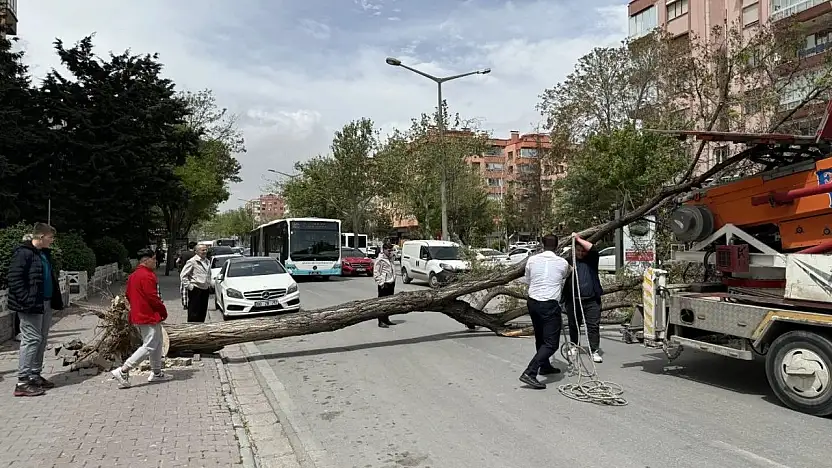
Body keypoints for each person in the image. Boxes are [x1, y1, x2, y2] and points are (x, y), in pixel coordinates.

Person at [8, 223, 64, 397]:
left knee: (41, 339)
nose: (52, 241)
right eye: (50, 238)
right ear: (41, 237)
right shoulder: (24, 253)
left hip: (44, 303)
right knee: (31, 339)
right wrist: (26, 300)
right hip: (30, 305)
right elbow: (15, 279)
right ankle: (22, 381)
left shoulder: (42, 254)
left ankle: (34, 374)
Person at [110, 249, 173, 388]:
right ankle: (123, 370)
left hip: (140, 313)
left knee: (157, 343)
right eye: (154, 259)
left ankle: (156, 372)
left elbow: (128, 295)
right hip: (148, 314)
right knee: (150, 344)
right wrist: (162, 310)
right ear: (146, 260)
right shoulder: (147, 276)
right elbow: (153, 297)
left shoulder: (133, 276)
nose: (156, 262)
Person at [518, 233, 570, 390]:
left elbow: (528, 279)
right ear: (557, 246)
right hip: (549, 304)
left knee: (541, 337)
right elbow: (565, 275)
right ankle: (530, 372)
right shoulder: (562, 263)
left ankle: (545, 366)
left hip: (533, 303)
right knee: (551, 343)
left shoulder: (532, 260)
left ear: (542, 245)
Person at [563, 233, 604, 364]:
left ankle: (594, 351)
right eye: (578, 250)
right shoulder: (568, 261)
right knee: (573, 325)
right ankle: (574, 346)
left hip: (591, 300)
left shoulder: (591, 260)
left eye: (583, 251)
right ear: (574, 251)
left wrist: (578, 239)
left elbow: (593, 249)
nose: (581, 253)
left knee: (593, 326)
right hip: (573, 300)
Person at [180, 243, 211, 322]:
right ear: (197, 251)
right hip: (196, 289)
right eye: (202, 250)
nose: (205, 251)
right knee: (194, 312)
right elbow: (183, 275)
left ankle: (201, 328)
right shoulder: (192, 261)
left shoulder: (207, 261)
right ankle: (192, 329)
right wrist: (190, 287)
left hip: (205, 289)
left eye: (206, 250)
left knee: (202, 312)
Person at [372, 242, 397, 328]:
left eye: (391, 250)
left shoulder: (391, 258)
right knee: (382, 303)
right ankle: (381, 321)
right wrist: (381, 283)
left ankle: (386, 319)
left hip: (391, 282)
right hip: (384, 283)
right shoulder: (380, 259)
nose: (390, 252)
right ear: (384, 250)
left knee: (389, 303)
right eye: (389, 250)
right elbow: (376, 273)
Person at [178, 242, 198, 309]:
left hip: (184, 272)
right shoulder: (196, 254)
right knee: (194, 288)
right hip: (194, 274)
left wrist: (180, 267)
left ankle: (185, 304)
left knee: (184, 289)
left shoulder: (183, 253)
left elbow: (177, 261)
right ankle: (193, 303)